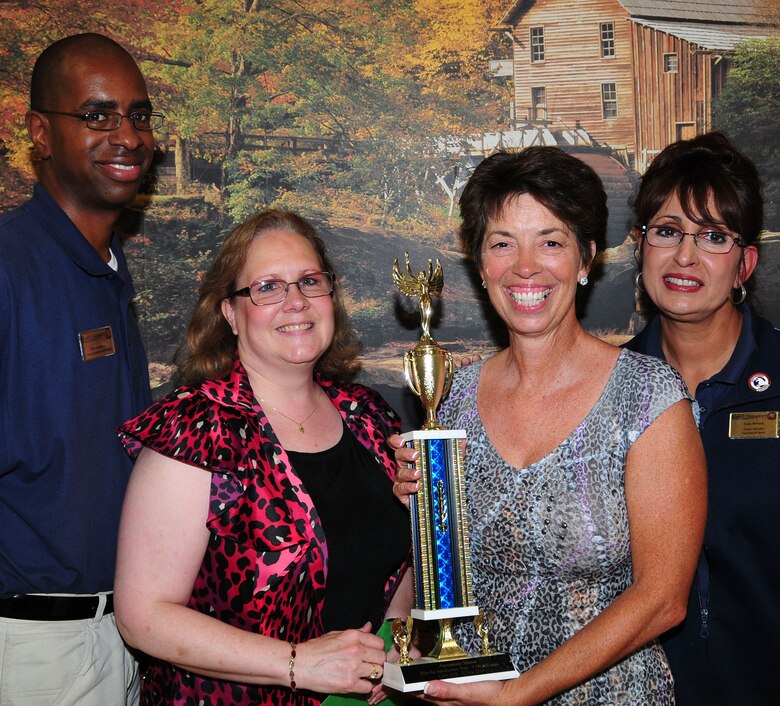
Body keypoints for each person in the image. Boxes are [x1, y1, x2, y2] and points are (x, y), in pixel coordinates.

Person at [391, 147, 707, 705]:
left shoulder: (649, 397)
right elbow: (442, 571)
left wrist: (517, 696)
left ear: (587, 260)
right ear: (480, 264)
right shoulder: (451, 397)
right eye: (502, 243)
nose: (525, 266)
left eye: (551, 241)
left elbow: (663, 598)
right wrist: (417, 507)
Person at [114, 209, 413, 705]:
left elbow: (388, 566)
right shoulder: (196, 428)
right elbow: (143, 615)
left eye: (310, 282)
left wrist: (393, 648)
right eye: (268, 287)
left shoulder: (370, 418)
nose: (295, 302)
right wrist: (298, 665)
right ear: (230, 313)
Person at [0, 33, 158, 705]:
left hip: (118, 642)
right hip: (32, 651)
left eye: (138, 114)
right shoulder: (9, 268)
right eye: (96, 115)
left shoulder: (109, 273)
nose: (125, 134)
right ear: (40, 132)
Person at [624, 131, 780, 705]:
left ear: (745, 263)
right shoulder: (603, 391)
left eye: (714, 237)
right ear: (641, 246)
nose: (685, 257)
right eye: (667, 231)